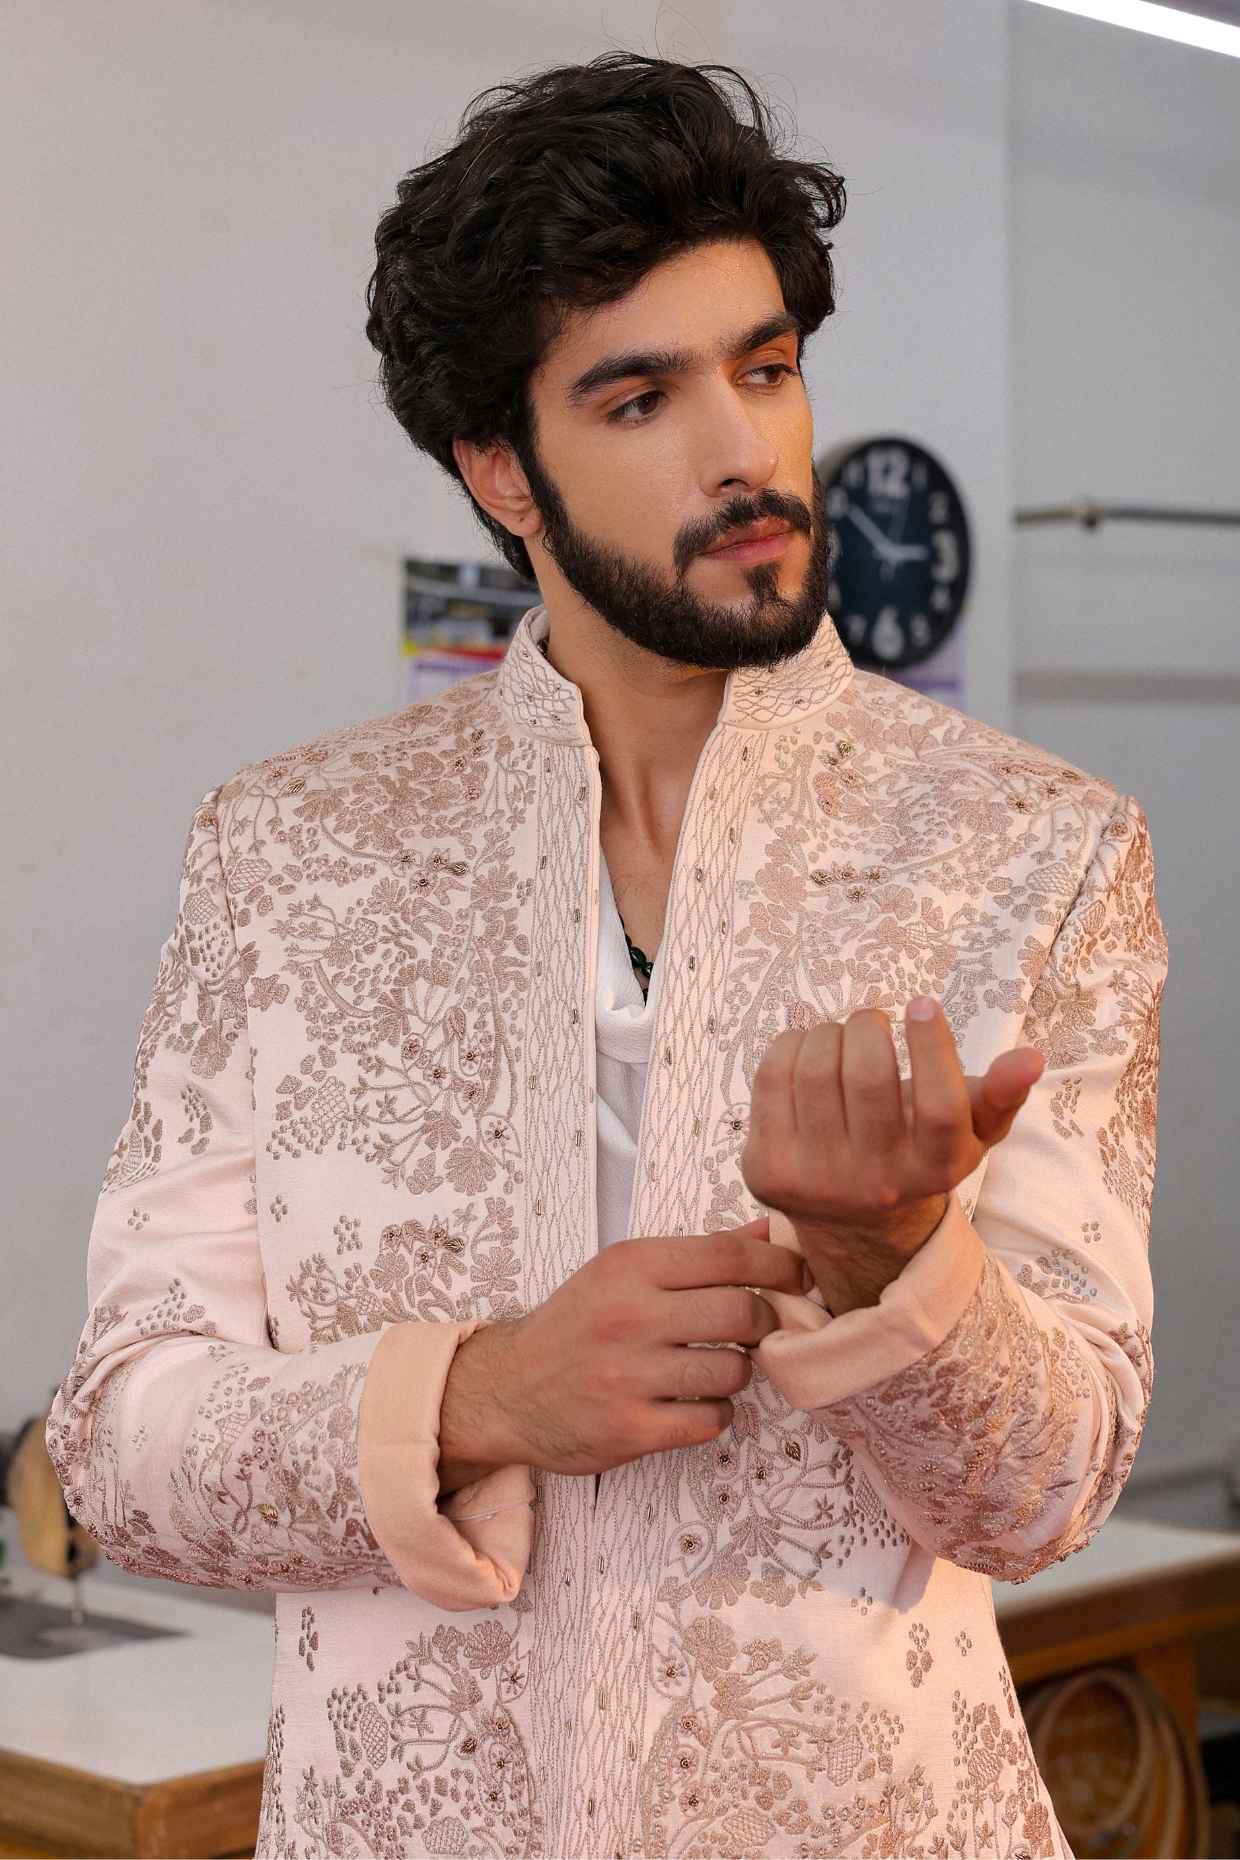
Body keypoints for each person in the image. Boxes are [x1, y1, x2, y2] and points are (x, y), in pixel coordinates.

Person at [46, 52, 1167, 1860]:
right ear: (500, 468)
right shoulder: (291, 856)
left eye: (766, 369)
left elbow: (1047, 1497)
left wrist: (897, 1258)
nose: (745, 453)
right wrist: (479, 1391)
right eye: (640, 397)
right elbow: (116, 1447)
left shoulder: (1035, 849)